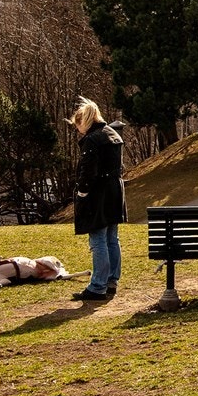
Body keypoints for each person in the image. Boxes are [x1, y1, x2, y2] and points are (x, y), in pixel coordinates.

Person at [71, 97, 126, 302]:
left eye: (78, 126)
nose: (78, 131)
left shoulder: (92, 139)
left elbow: (88, 170)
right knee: (112, 238)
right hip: (114, 190)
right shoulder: (113, 134)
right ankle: (111, 281)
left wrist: (82, 193)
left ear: (83, 122)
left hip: (99, 193)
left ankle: (98, 286)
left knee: (98, 239)